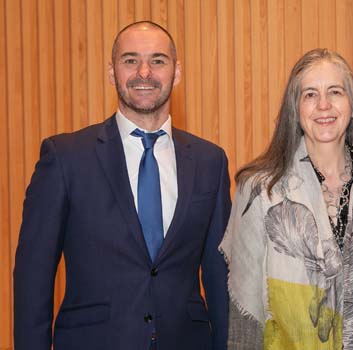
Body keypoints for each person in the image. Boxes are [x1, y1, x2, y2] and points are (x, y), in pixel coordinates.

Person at [13, 21, 230, 350]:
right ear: (112, 72)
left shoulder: (210, 161)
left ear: (177, 72)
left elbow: (219, 279)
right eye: (130, 60)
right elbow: (33, 279)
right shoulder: (65, 158)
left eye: (158, 60)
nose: (145, 72)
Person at [219, 48, 353, 350]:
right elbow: (245, 315)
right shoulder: (261, 189)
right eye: (310, 94)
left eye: (335, 92)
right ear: (295, 110)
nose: (323, 105)